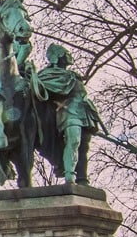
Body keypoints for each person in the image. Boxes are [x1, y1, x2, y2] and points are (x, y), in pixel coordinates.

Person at [33, 44, 101, 184]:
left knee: (83, 146)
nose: (69, 55)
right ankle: (70, 175)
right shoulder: (48, 75)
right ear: (58, 57)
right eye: (65, 53)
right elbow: (41, 91)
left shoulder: (73, 76)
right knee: (73, 141)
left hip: (84, 113)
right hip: (69, 113)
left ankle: (82, 179)